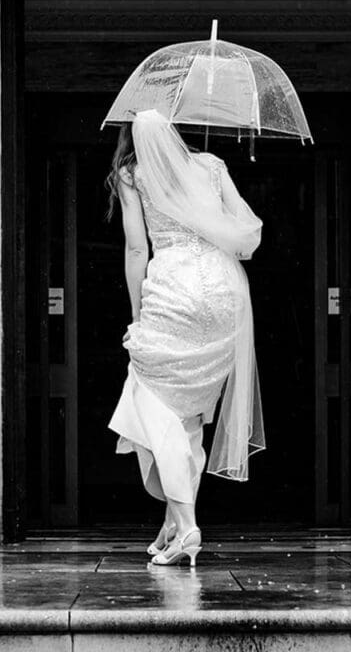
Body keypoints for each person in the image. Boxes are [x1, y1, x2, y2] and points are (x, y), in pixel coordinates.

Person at [106, 108, 265, 567]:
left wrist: (137, 316)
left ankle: (188, 526)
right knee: (191, 415)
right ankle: (173, 526)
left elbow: (137, 248)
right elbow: (242, 232)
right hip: (223, 292)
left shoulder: (130, 175)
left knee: (155, 405)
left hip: (174, 288)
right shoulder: (212, 166)